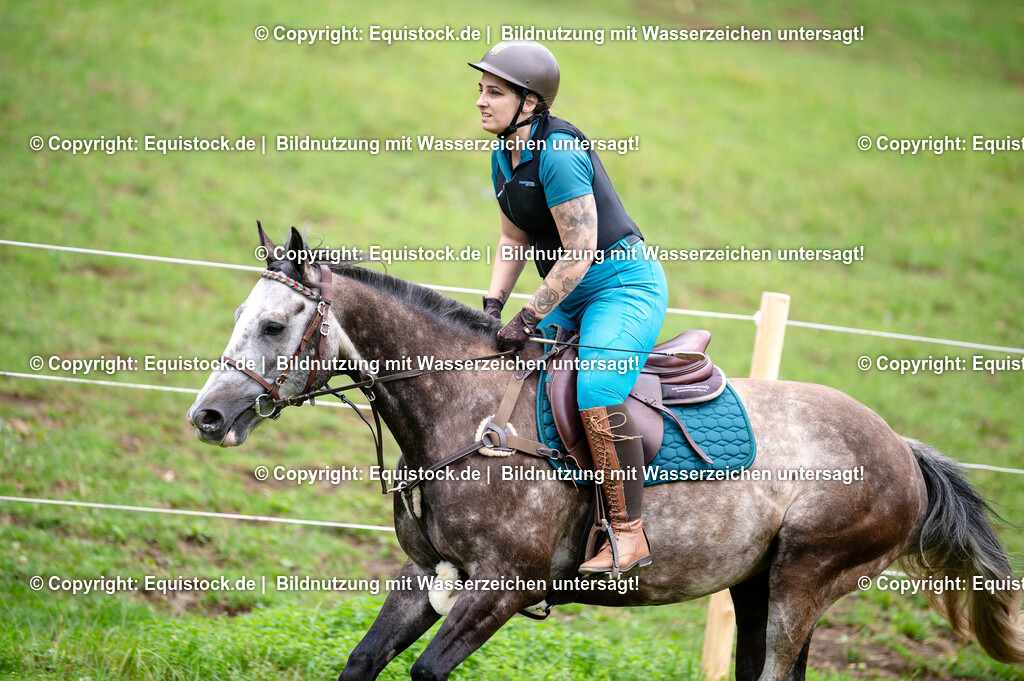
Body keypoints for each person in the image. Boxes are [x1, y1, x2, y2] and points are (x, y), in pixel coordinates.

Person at [470, 41, 668, 574]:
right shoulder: (502, 155)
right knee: (508, 371)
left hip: (621, 286)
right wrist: (493, 308)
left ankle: (629, 534)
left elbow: (580, 253)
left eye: (495, 93)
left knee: (597, 388)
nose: (481, 102)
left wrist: (528, 317)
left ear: (530, 103)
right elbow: (513, 239)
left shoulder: (559, 153)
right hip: (567, 290)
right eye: (481, 91)